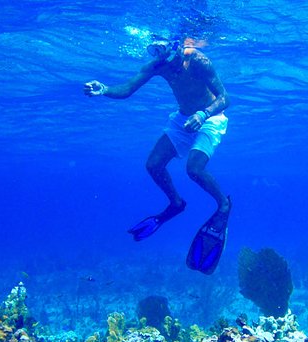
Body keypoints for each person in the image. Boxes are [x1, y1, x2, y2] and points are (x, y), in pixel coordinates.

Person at [84, 36, 230, 249]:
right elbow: (127, 89)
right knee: (153, 165)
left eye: (167, 55)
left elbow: (225, 98)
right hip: (183, 118)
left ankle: (224, 205)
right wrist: (105, 89)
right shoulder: (158, 65)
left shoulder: (199, 61)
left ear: (178, 47)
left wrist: (203, 114)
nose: (166, 64)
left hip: (211, 117)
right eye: (159, 54)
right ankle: (176, 203)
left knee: (194, 170)